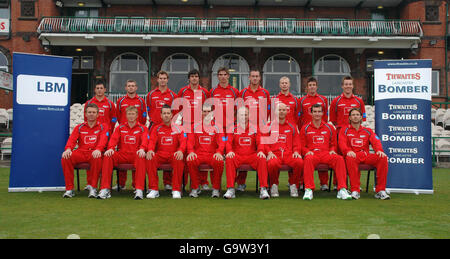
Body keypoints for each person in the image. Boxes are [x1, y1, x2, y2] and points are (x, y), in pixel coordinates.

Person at [300, 104, 352, 200]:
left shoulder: (329, 127)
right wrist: (307, 151)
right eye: (315, 112)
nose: (317, 114)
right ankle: (309, 189)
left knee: (339, 159)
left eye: (319, 111)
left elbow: (333, 144)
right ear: (310, 113)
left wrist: (332, 151)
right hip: (313, 153)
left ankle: (342, 189)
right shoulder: (305, 128)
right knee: (308, 159)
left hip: (326, 153)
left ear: (323, 113)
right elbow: (302, 145)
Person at [97, 106, 148, 200]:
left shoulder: (143, 128)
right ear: (126, 115)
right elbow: (113, 139)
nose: (131, 116)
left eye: (133, 114)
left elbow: (145, 140)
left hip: (135, 154)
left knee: (141, 156)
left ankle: (139, 189)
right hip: (122, 154)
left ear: (137, 115)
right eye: (129, 114)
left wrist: (142, 148)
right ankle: (105, 189)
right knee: (108, 156)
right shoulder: (120, 127)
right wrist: (111, 148)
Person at [338, 108, 390, 200]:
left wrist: (379, 150)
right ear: (349, 117)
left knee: (382, 158)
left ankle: (380, 190)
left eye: (357, 115)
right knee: (350, 158)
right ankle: (355, 190)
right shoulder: (344, 130)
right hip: (353, 156)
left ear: (361, 117)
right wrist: (348, 151)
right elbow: (342, 143)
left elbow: (376, 141)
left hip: (365, 155)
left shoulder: (367, 130)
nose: (355, 117)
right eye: (353, 115)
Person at [61, 103, 108, 198]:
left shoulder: (103, 126)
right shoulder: (79, 127)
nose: (91, 114)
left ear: (98, 114)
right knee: (66, 157)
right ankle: (69, 189)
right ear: (85, 114)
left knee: (97, 157)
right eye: (89, 112)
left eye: (94, 112)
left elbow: (103, 140)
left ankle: (93, 188)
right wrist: (68, 149)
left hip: (94, 152)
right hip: (81, 152)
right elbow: (72, 140)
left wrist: (98, 149)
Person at [236, 70, 271, 192]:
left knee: (262, 154)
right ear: (249, 78)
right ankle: (241, 183)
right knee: (244, 151)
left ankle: (267, 184)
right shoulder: (243, 92)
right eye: (253, 76)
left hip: (260, 127)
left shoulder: (265, 93)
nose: (255, 78)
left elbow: (269, 109)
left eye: (257, 76)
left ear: (260, 78)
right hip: (246, 126)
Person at [224, 106, 270, 199]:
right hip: (238, 156)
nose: (243, 117)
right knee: (229, 158)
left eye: (245, 114)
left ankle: (263, 189)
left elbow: (260, 142)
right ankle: (230, 189)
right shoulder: (232, 128)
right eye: (241, 115)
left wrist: (261, 151)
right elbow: (228, 142)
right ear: (237, 116)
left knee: (261, 158)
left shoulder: (255, 128)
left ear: (249, 116)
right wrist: (229, 151)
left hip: (251, 156)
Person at [329, 76, 366, 190]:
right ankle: (337, 184)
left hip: (354, 134)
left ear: (353, 86)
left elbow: (362, 118)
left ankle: (356, 185)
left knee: (354, 158)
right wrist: (341, 131)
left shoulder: (359, 101)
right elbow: (333, 119)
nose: (348, 86)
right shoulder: (336, 101)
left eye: (350, 84)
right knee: (339, 159)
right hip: (340, 134)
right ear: (342, 86)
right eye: (346, 84)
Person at [177, 69, 211, 191]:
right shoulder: (183, 91)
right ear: (189, 78)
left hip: (200, 127)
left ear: (199, 78)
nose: (194, 78)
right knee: (187, 154)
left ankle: (204, 182)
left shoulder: (205, 92)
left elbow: (208, 108)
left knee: (202, 152)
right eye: (192, 76)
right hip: (186, 126)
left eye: (196, 76)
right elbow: (178, 108)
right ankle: (184, 182)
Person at [146, 70, 179, 192]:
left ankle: (168, 183)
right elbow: (149, 109)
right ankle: (152, 186)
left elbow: (174, 111)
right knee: (153, 154)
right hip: (155, 126)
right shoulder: (151, 95)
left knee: (169, 150)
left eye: (165, 78)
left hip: (169, 126)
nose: (163, 80)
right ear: (157, 79)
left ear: (167, 80)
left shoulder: (173, 95)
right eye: (161, 78)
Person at [145, 104, 186, 199]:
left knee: (179, 158)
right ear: (161, 115)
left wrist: (180, 150)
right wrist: (150, 150)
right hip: (161, 155)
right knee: (150, 158)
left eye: (168, 113)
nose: (166, 115)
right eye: (164, 113)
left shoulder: (178, 128)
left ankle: (176, 190)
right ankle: (154, 189)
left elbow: (183, 143)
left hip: (173, 155)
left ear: (172, 115)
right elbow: (151, 142)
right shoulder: (156, 128)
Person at [83, 80, 117, 190]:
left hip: (105, 136)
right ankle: (90, 183)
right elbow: (86, 118)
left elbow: (113, 119)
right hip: (92, 135)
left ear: (105, 90)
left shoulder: (110, 104)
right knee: (92, 156)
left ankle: (105, 183)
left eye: (101, 88)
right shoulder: (89, 103)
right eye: (97, 88)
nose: (99, 90)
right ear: (94, 90)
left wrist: (108, 131)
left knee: (106, 159)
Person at [186, 104, 225, 198]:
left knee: (219, 161)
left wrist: (219, 152)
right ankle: (195, 188)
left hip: (212, 155)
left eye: (209, 111)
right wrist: (191, 152)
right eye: (204, 111)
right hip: (198, 154)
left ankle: (215, 189)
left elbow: (222, 142)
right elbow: (190, 142)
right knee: (190, 160)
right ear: (200, 113)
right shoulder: (194, 126)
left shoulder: (218, 127)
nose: (206, 113)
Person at [298, 76, 329, 191]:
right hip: (306, 132)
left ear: (316, 86)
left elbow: (325, 117)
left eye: (314, 85)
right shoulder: (302, 100)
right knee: (305, 157)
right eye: (310, 85)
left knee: (323, 154)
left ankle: (324, 183)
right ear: (307, 87)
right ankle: (302, 182)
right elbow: (299, 117)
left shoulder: (323, 99)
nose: (312, 87)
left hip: (320, 131)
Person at [115, 79, 147, 190]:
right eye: (129, 86)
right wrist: (123, 127)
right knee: (121, 155)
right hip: (123, 132)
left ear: (136, 87)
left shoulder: (141, 101)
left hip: (137, 132)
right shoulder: (120, 101)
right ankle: (121, 184)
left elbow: (143, 116)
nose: (131, 88)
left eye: (133, 86)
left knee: (137, 156)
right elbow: (118, 116)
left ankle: (135, 184)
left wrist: (138, 129)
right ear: (126, 88)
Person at [266, 103, 303, 198]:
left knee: (299, 162)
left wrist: (296, 152)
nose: (281, 112)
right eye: (279, 110)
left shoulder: (292, 126)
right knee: (272, 164)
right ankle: (274, 185)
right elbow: (264, 142)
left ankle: (293, 184)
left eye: (283, 110)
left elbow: (297, 142)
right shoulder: (269, 126)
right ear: (275, 112)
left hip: (288, 154)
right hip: (275, 154)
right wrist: (269, 152)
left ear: (287, 112)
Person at [210, 67, 240, 134]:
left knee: (230, 144)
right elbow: (210, 108)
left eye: (225, 74)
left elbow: (238, 109)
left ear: (228, 76)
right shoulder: (213, 91)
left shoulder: (235, 92)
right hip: (217, 125)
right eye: (220, 75)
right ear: (218, 76)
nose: (223, 77)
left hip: (231, 125)